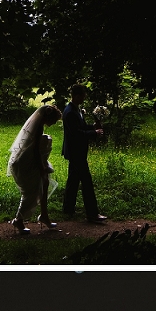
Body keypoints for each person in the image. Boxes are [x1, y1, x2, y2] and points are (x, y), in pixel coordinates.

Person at [7, 105, 62, 235]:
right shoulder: (37, 128)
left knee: (44, 184)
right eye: (54, 120)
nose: (54, 123)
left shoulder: (39, 126)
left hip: (32, 161)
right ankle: (18, 220)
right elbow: (36, 150)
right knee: (31, 192)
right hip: (27, 163)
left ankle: (44, 215)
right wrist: (41, 167)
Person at [61, 85, 106, 223]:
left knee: (73, 180)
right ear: (76, 95)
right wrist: (94, 133)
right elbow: (76, 134)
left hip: (76, 152)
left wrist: (91, 127)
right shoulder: (70, 112)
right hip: (76, 152)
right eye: (83, 95)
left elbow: (79, 127)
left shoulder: (74, 110)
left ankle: (68, 209)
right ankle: (92, 214)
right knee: (87, 182)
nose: (85, 97)